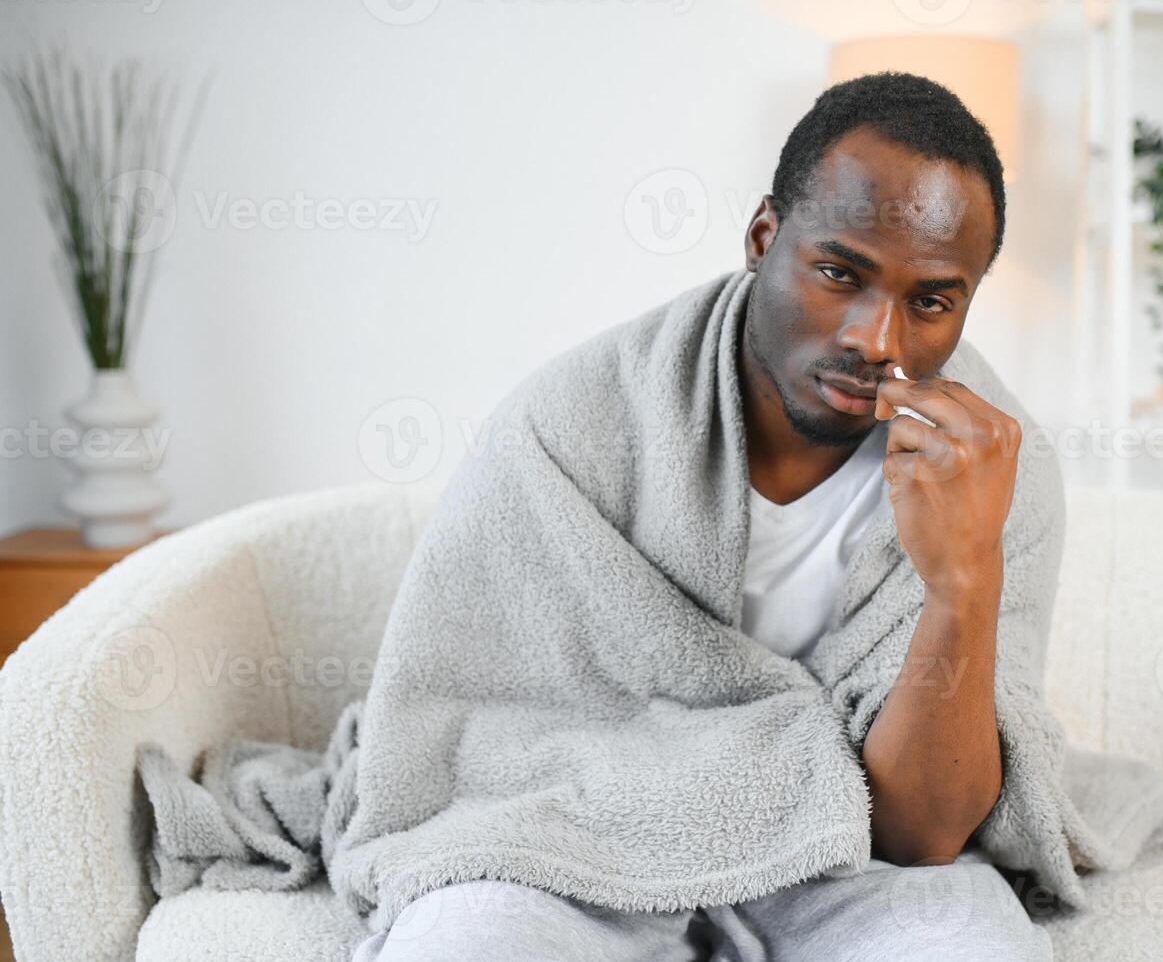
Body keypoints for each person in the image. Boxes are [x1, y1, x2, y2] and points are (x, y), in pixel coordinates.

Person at [352, 70, 1055, 962]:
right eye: (838, 272)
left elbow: (922, 838)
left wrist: (964, 580)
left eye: (929, 301)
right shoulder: (574, 420)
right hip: (576, 831)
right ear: (764, 237)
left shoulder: (995, 471)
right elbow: (467, 727)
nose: (876, 341)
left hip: (847, 853)